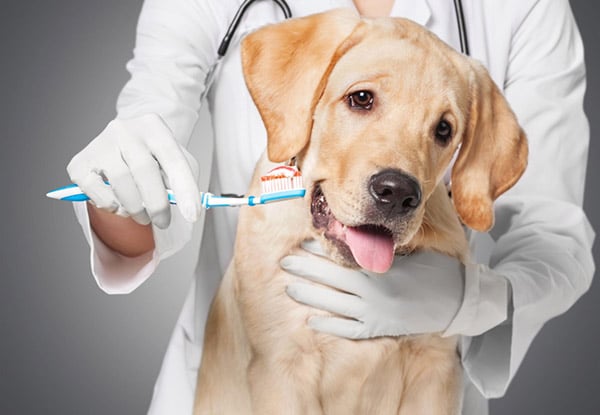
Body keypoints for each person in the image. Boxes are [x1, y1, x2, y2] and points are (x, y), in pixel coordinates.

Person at [65, 0, 595, 414]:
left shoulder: (528, 9)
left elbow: (555, 235)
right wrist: (124, 180)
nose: (398, 183)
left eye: (442, 130)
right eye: (362, 99)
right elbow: (147, 185)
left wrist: (471, 300)